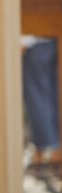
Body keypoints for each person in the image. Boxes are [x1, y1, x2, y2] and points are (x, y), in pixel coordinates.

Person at [22, 37, 60, 168]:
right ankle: (53, 152)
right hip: (51, 40)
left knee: (36, 98)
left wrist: (24, 41)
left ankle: (43, 151)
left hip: (37, 42)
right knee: (51, 95)